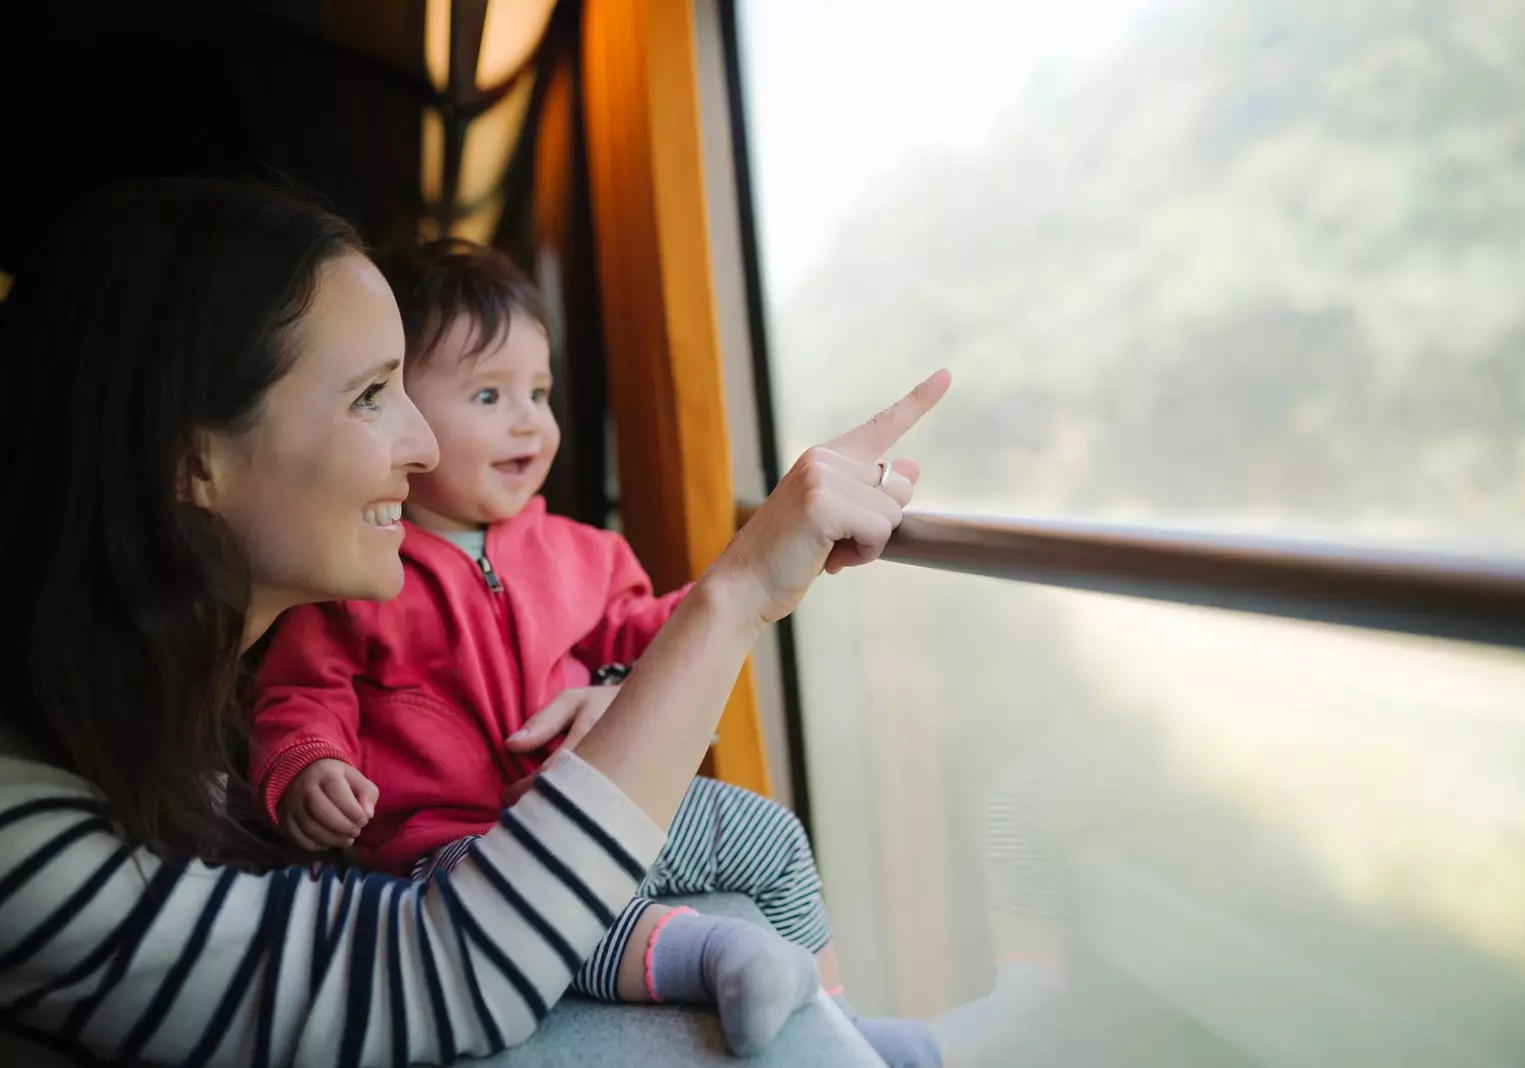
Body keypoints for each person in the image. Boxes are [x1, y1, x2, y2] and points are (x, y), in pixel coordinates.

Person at [0, 175, 951, 1066]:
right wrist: (738, 591)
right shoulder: (26, 848)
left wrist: (623, 694)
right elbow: (437, 969)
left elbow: (619, 634)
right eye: (373, 396)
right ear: (194, 461)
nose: (419, 446)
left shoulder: (193, 728)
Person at [247, 237, 937, 1062]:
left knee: (770, 835)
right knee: (544, 912)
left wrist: (773, 564)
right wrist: (308, 765)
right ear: (402, 411)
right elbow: (298, 698)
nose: (530, 421)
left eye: (539, 393)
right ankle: (719, 956)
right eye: (489, 394)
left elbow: (655, 640)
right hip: (458, 847)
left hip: (604, 809)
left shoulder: (588, 555)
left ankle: (840, 1020)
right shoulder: (353, 579)